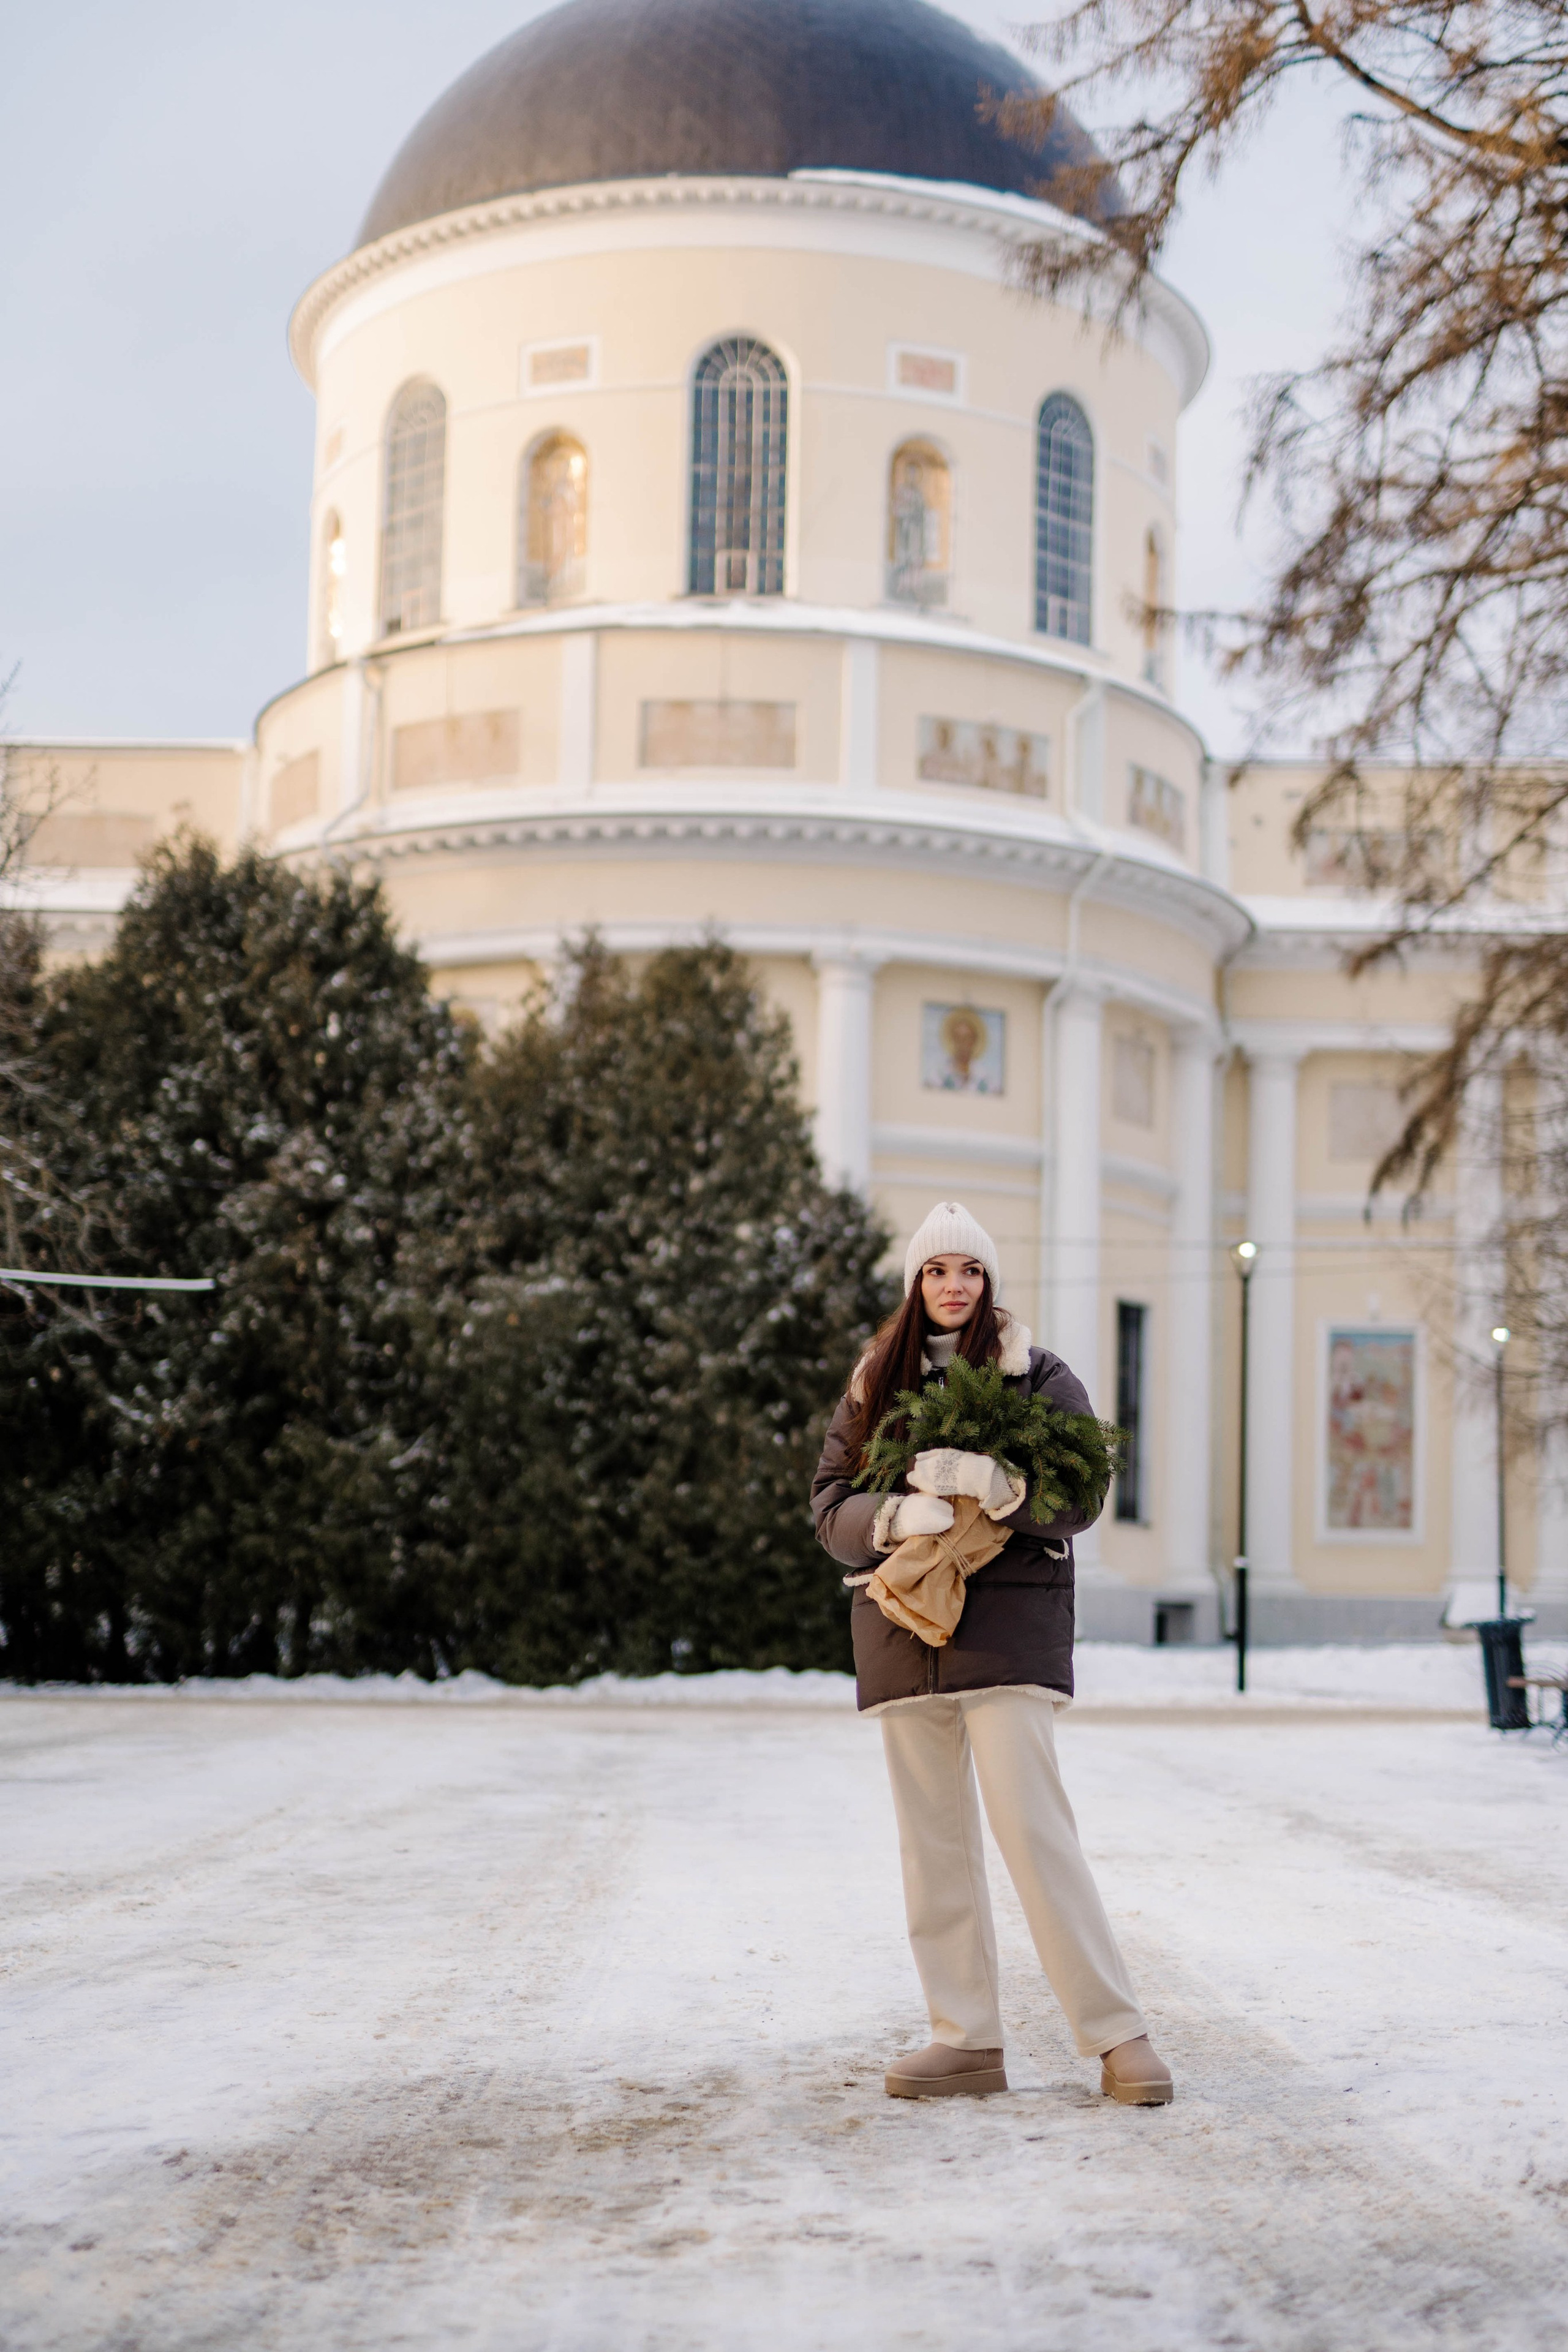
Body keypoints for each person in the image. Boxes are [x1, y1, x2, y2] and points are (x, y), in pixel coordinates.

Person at [811, 1200, 1172, 2106]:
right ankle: (965, 2039)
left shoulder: (1035, 1376)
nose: (953, 1286)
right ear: (915, 1284)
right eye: (936, 1271)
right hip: (904, 1634)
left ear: (988, 1282)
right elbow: (829, 1507)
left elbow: (1082, 1488)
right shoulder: (874, 1385)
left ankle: (1117, 2035)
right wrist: (891, 1515)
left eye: (968, 1270)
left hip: (1006, 1637)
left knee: (1035, 1836)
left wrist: (997, 1487)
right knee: (932, 1851)